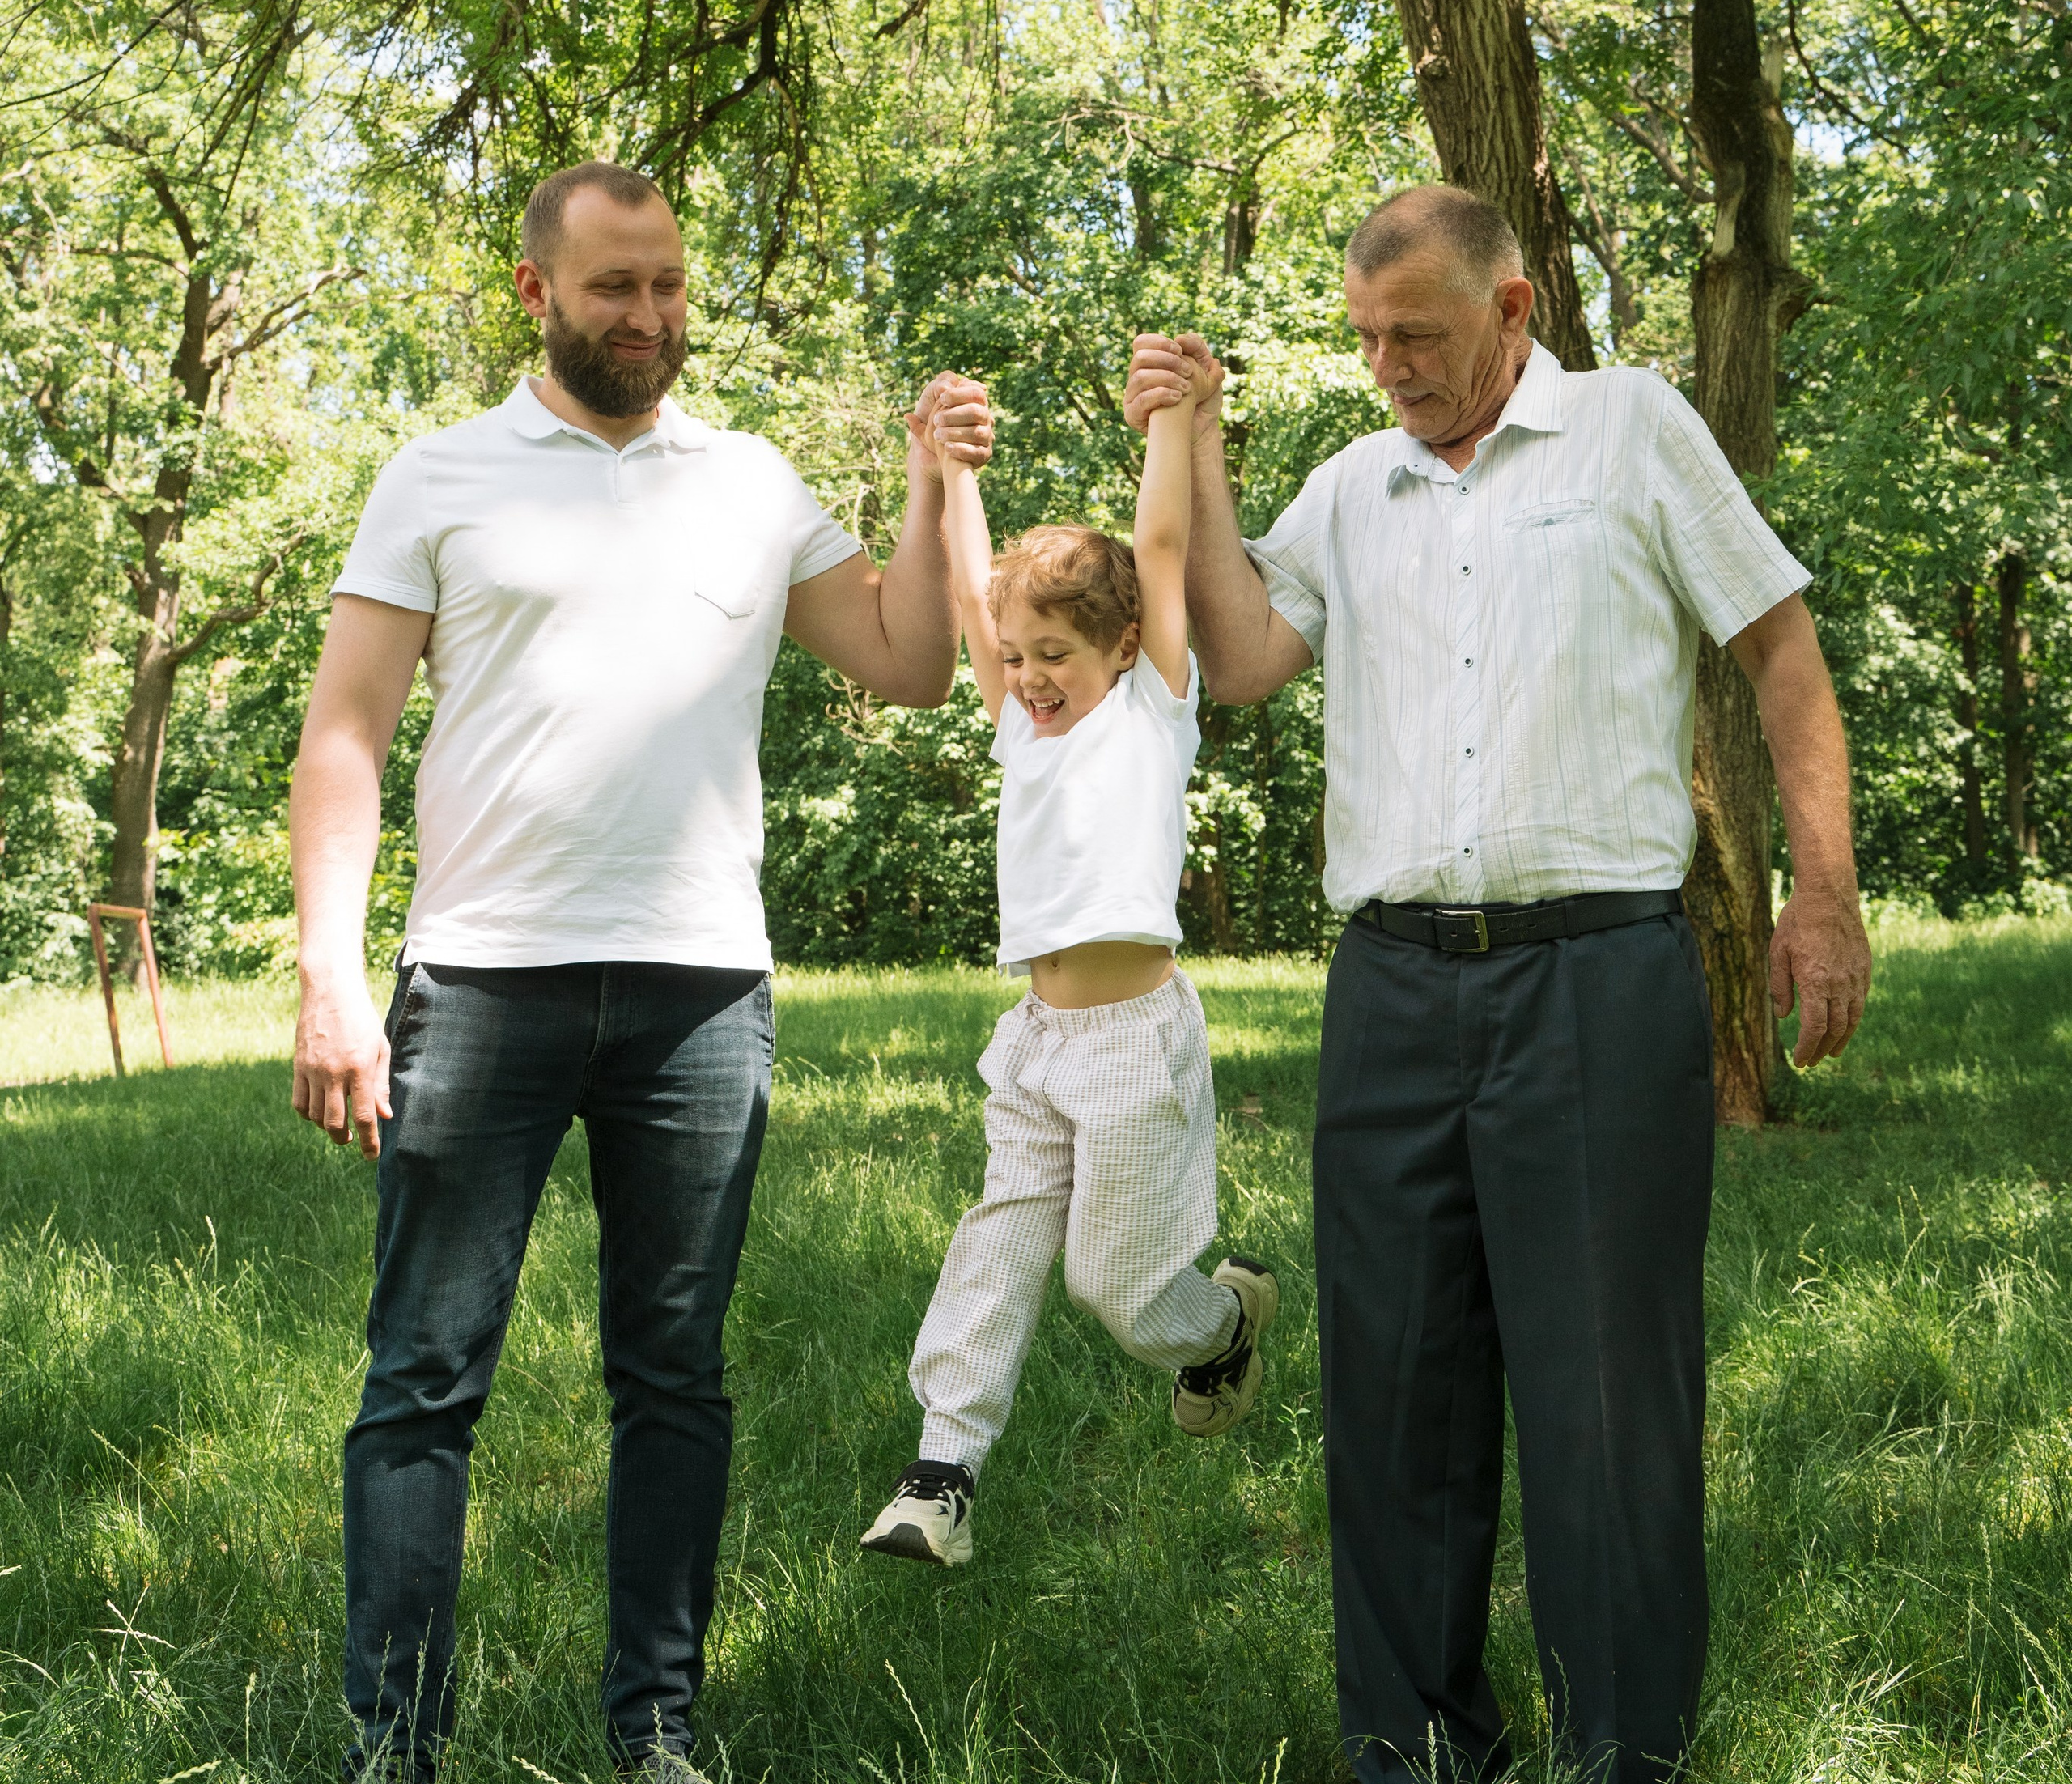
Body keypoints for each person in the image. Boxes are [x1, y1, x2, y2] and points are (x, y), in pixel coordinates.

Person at [1126, 185, 1871, 1784]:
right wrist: (1186, 437)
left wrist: (1822, 889)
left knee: (1606, 1395)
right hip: (1392, 991)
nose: (1389, 363)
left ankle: (1620, 1750)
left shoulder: (1628, 432)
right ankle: (1411, 1746)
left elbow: (1778, 646)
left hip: (1594, 979)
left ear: (1512, 309)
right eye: (1368, 338)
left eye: (1421, 334)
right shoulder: (1350, 483)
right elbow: (1244, 657)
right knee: (1394, 1394)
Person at [287, 160, 993, 1782]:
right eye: (616, 287)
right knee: (420, 1377)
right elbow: (346, 728)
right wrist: (333, 971)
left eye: (668, 284)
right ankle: (391, 1744)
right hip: (482, 981)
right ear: (534, 291)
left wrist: (915, 476)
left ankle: (657, 1733)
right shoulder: (441, 473)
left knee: (672, 1374)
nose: (652, 317)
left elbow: (903, 656)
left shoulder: (747, 481)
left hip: (699, 993)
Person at [857, 358, 1277, 1569]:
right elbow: (967, 579)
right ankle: (942, 1474)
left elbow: (1157, 540)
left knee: (1121, 1290)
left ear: (1124, 647)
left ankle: (1219, 1327)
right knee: (995, 1244)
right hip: (1037, 1042)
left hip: (1135, 1042)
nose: (1032, 677)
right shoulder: (1020, 724)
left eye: (1055, 655)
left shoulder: (1153, 708)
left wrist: (1166, 417)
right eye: (1018, 654)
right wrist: (946, 469)